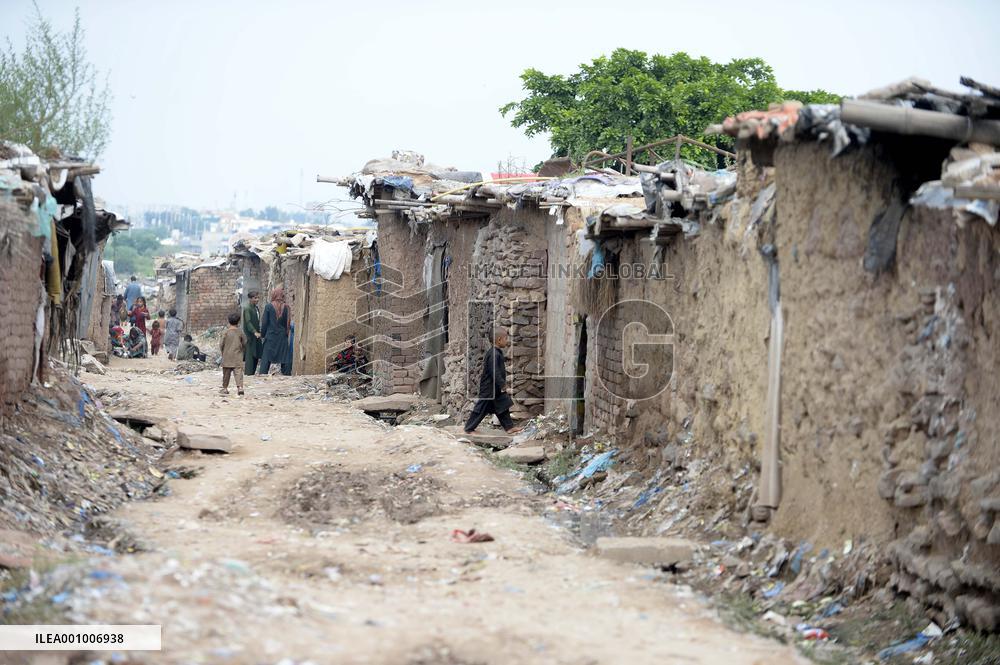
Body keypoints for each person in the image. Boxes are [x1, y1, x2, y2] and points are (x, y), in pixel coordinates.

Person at [464, 330, 519, 433]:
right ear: (499, 340)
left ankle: (509, 427)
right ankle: (469, 428)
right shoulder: (494, 354)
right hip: (489, 388)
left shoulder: (497, 352)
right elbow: (495, 371)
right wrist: (503, 385)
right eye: (505, 338)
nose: (507, 341)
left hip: (495, 387)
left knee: (503, 405)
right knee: (481, 408)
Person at [258, 286, 291, 375]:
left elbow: (264, 323)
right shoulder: (286, 307)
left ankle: (263, 373)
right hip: (282, 336)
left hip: (271, 336)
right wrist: (286, 334)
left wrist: (263, 334)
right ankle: (287, 374)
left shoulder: (268, 307)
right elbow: (287, 323)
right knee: (284, 356)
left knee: (266, 357)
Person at [219, 311, 247, 396]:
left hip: (227, 356)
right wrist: (242, 349)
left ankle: (225, 388)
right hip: (237, 356)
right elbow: (245, 342)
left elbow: (221, 344)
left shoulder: (225, 332)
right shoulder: (240, 332)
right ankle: (240, 388)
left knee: (226, 373)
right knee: (238, 373)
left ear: (228, 321)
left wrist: (223, 352)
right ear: (238, 322)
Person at [242, 291, 263, 375]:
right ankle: (248, 373)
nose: (257, 299)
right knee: (250, 355)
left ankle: (252, 373)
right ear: (250, 299)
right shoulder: (247, 308)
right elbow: (248, 322)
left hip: (257, 335)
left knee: (256, 353)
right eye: (255, 298)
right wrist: (254, 332)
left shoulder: (255, 308)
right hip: (251, 335)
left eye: (258, 298)